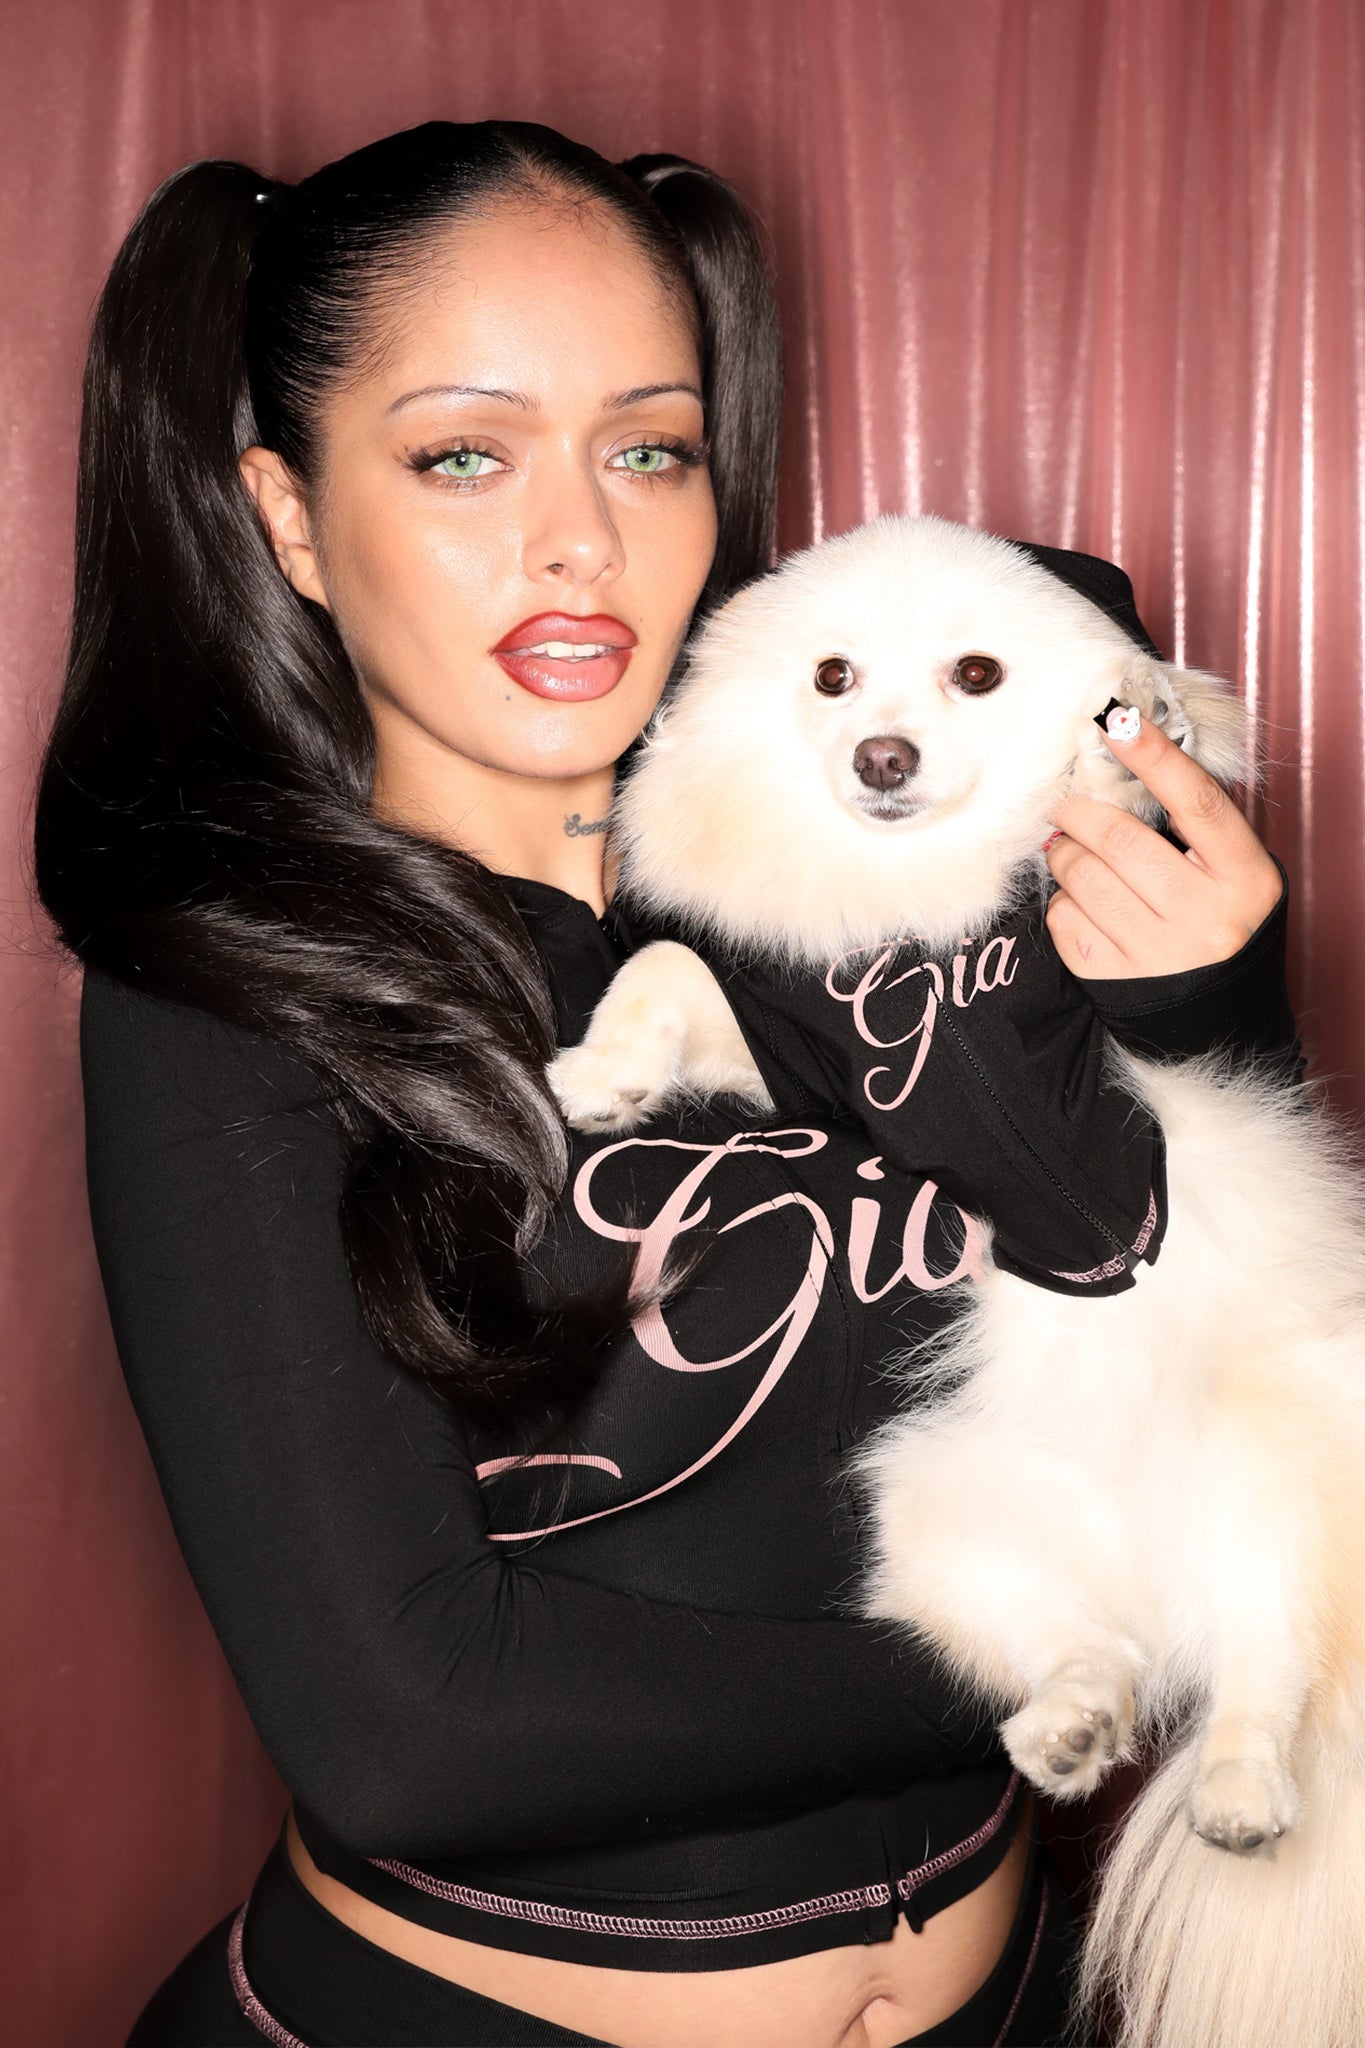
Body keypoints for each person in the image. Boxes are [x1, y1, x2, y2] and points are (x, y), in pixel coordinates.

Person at [33, 120, 1295, 2048]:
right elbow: (414, 1727)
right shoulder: (235, 994)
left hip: (1015, 1997)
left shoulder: (914, 853)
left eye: (649, 446)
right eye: (464, 454)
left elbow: (1216, 1337)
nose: (578, 540)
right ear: (285, 516)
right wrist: (1073, 1656)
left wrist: (1204, 1007)